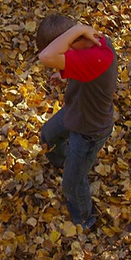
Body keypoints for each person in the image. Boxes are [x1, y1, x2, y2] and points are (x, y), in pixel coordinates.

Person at [36, 14, 118, 230]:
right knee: (48, 135)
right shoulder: (91, 42)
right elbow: (81, 65)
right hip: (76, 109)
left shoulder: (98, 56)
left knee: (72, 184)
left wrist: (79, 27)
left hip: (90, 130)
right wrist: (65, 76)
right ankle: (62, 162)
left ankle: (84, 219)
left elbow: (46, 56)